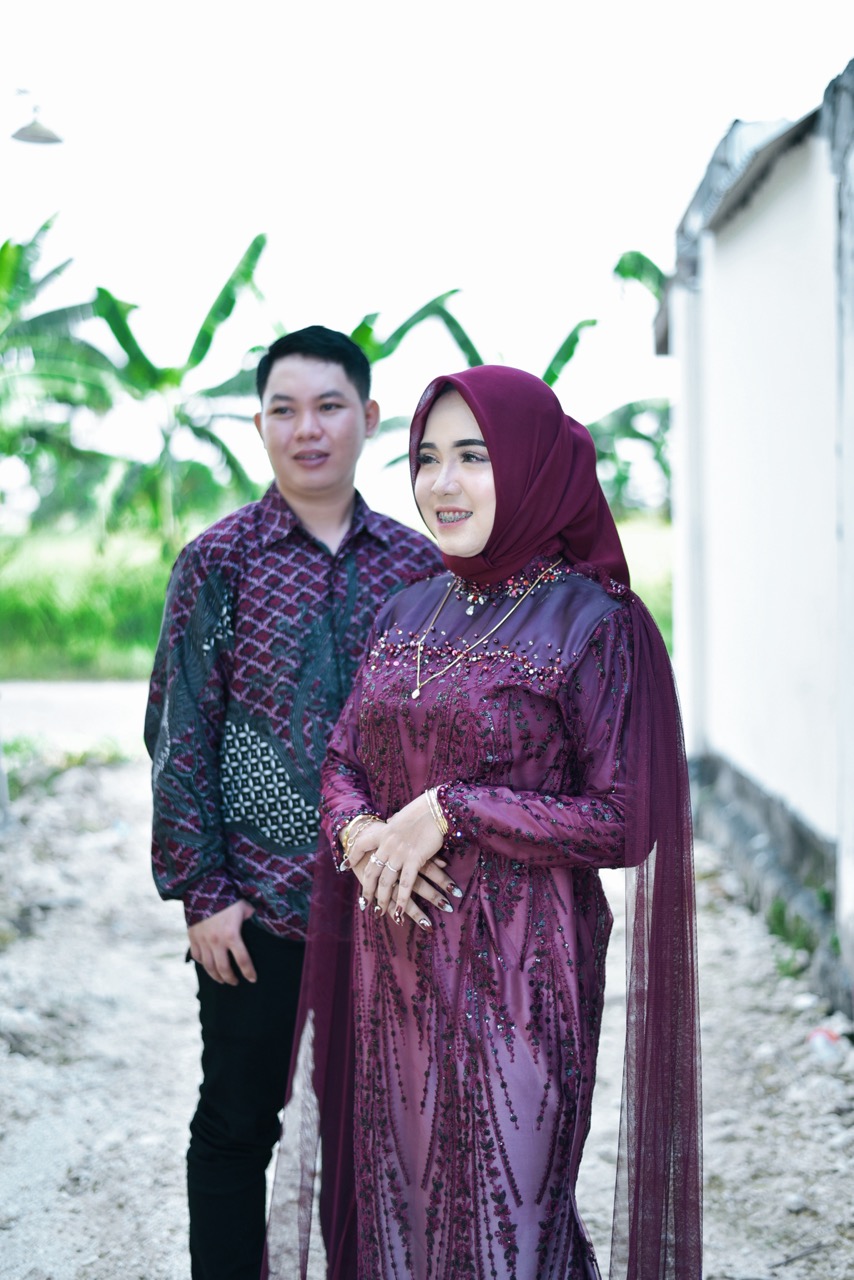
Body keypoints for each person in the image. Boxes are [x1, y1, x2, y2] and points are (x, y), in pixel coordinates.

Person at [272, 364, 702, 1280]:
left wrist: (451, 809)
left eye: (473, 456)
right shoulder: (407, 608)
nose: (443, 483)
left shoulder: (593, 622)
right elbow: (343, 759)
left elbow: (627, 820)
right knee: (407, 1219)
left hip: (524, 971)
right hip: (395, 965)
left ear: (533, 464)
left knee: (515, 1227)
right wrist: (359, 834)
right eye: (427, 458)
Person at [143, 325, 443, 1280]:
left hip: (390, 907)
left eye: (328, 407)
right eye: (284, 409)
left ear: (369, 418)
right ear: (260, 424)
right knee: (236, 1127)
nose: (306, 429)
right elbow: (178, 732)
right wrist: (202, 893)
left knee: (381, 1138)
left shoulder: (421, 570)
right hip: (255, 909)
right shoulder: (217, 563)